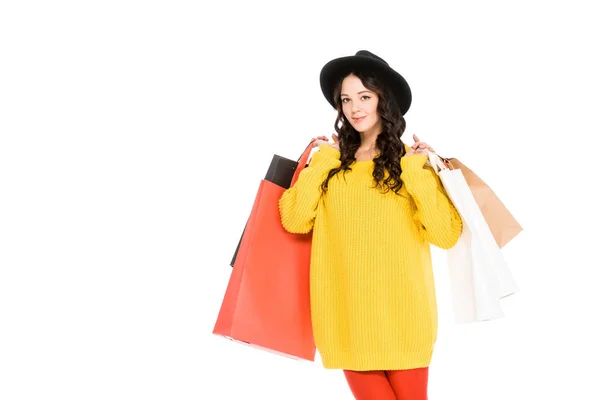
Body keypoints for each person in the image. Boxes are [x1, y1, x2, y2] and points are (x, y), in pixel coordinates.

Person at [278, 50, 463, 400]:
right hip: (348, 317)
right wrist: (323, 160)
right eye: (346, 99)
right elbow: (295, 220)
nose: (354, 108)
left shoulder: (411, 164)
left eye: (365, 96)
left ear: (383, 100)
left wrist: (416, 171)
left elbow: (446, 235)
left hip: (405, 316)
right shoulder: (331, 164)